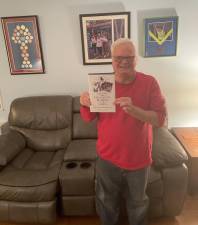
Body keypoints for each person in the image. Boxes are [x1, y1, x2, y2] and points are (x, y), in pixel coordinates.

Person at [80, 38, 167, 225]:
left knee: (138, 203)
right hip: (107, 157)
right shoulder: (102, 84)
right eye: (118, 58)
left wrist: (135, 110)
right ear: (112, 61)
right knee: (106, 202)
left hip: (138, 158)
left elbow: (160, 120)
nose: (124, 61)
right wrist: (84, 102)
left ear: (136, 60)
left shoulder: (150, 83)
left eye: (129, 57)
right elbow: (88, 118)